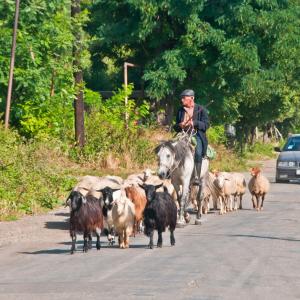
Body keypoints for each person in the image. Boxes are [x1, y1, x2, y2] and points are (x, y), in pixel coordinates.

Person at [174, 89, 210, 185]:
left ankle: (197, 176)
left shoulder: (201, 109)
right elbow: (176, 126)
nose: (182, 100)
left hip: (196, 134)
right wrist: (180, 125)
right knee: (170, 148)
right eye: (181, 98)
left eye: (184, 98)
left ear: (192, 98)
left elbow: (206, 125)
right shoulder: (180, 111)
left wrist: (195, 123)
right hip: (183, 134)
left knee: (198, 152)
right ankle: (171, 173)